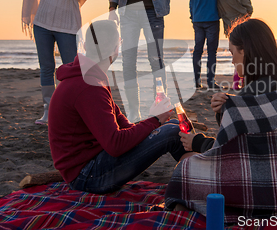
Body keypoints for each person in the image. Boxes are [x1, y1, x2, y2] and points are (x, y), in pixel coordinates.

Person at [165, 19, 277, 222]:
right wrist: (228, 108)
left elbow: (229, 152)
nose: (233, 60)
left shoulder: (253, 93)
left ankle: (185, 215)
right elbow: (252, 142)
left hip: (274, 193)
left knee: (184, 167)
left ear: (244, 51)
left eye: (232, 52)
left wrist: (197, 142)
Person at [48, 20, 192, 194]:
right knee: (170, 132)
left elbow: (125, 128)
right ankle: (199, 177)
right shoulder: (88, 85)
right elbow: (115, 144)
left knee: (174, 126)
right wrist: (155, 120)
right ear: (116, 48)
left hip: (91, 165)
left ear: (85, 45)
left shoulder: (92, 76)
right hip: (87, 177)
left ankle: (195, 175)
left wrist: (154, 120)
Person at [189, 0, 242, 90]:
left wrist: (192, 16)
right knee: (212, 52)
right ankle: (211, 81)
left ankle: (196, 80)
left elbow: (191, 2)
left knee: (198, 50)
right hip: (211, 20)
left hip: (197, 20)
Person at [217, 0, 253, 90]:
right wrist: (245, 17)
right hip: (242, 27)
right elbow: (250, 8)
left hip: (229, 28)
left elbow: (219, 11)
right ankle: (242, 82)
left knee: (235, 56)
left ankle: (236, 83)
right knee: (245, 55)